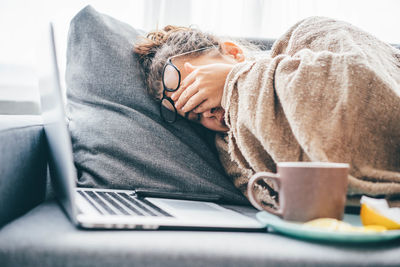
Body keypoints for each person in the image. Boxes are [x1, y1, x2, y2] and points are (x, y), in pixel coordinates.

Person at [134, 17, 400, 209]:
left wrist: (235, 81)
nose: (209, 111)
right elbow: (276, 201)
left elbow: (368, 85)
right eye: (196, 114)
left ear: (234, 53)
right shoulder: (233, 150)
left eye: (201, 88)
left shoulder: (307, 36)